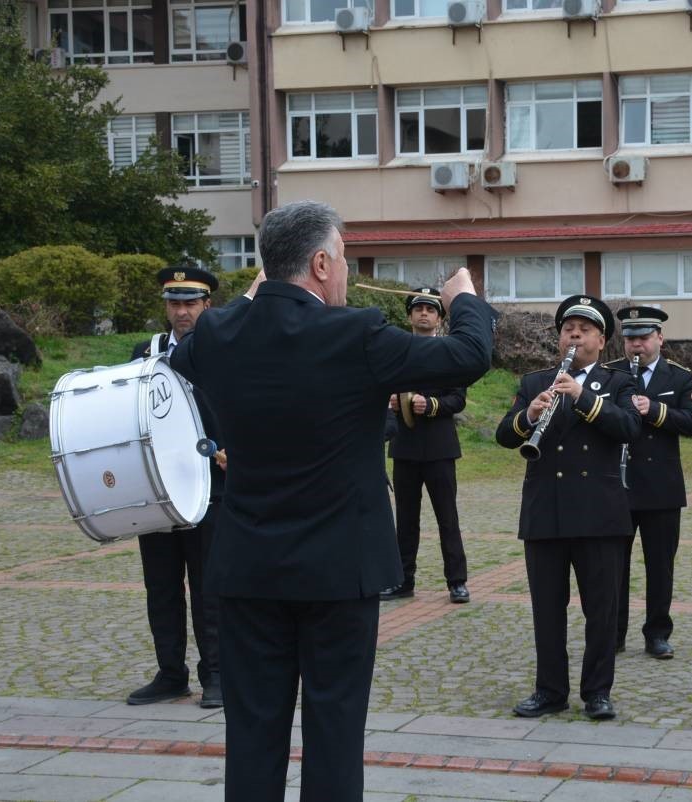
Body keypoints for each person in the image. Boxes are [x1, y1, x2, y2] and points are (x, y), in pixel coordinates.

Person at [171, 200, 496, 802]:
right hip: (338, 572)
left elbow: (184, 357)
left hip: (249, 569)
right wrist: (463, 298)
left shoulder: (216, 333)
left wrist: (254, 294)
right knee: (334, 731)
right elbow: (470, 357)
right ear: (321, 263)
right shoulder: (358, 335)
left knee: (251, 735)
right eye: (343, 259)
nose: (347, 271)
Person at [496, 295, 639, 721]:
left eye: (583, 329)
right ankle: (550, 691)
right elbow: (505, 434)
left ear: (602, 339)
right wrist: (529, 414)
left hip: (599, 513)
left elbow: (629, 426)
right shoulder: (534, 381)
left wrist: (581, 397)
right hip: (546, 512)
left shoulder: (618, 382)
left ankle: (597, 692)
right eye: (567, 329)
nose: (574, 335)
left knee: (601, 609)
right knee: (547, 608)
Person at [127, 265, 223, 709]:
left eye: (190, 303)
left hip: (209, 487)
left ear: (207, 305)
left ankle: (216, 675)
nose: (181, 312)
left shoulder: (226, 350)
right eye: (173, 303)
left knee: (209, 588)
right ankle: (170, 673)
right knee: (161, 587)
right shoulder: (143, 353)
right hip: (157, 488)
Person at [606, 306, 692, 659]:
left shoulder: (677, 377)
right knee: (613, 565)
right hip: (617, 485)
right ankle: (613, 633)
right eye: (630, 339)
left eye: (644, 338)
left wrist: (656, 411)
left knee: (660, 565)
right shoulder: (610, 374)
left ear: (660, 338)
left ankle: (657, 633)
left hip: (661, 488)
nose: (637, 346)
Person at [381, 288, 471, 604]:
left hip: (439, 448)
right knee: (405, 519)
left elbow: (457, 398)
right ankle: (402, 580)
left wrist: (431, 404)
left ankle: (457, 582)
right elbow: (380, 389)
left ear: (439, 318)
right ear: (410, 316)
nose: (423, 314)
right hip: (404, 447)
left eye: (430, 310)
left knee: (447, 517)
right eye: (418, 308)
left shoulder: (449, 351)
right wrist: (389, 401)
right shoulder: (395, 352)